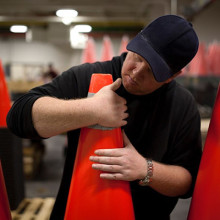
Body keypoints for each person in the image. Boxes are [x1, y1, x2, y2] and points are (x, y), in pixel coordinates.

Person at [7, 15, 202, 219]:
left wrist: (145, 169)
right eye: (138, 57)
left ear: (173, 75)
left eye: (153, 71)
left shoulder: (182, 105)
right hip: (78, 212)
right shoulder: (89, 77)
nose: (136, 73)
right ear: (133, 44)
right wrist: (91, 109)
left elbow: (187, 182)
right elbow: (18, 117)